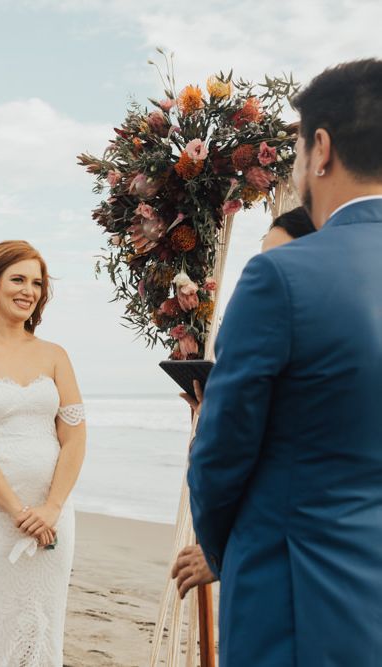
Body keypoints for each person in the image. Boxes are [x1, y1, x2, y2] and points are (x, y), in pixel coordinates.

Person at [177, 59, 382, 666]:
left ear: (321, 149)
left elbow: (221, 448)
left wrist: (221, 549)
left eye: (295, 148)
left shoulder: (281, 276)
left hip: (303, 592)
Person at [0, 240, 86, 665]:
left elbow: (75, 437)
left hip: (53, 514)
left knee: (42, 620)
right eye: (18, 279)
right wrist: (17, 511)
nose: (28, 290)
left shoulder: (54, 354)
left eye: (37, 283)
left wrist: (52, 507)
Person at [171, 206, 315, 596]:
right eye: (264, 260)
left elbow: (234, 458)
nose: (268, 273)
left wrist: (219, 553)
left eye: (281, 260)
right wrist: (212, 411)